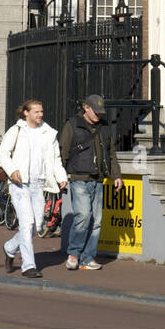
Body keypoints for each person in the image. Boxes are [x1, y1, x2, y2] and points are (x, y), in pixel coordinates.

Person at [0, 99, 67, 278]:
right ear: (26, 113)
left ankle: (10, 247)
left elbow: (55, 158)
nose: (40, 115)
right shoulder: (17, 130)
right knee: (27, 224)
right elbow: (3, 154)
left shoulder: (48, 132)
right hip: (19, 184)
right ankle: (28, 266)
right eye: (36, 111)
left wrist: (60, 176)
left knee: (36, 226)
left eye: (41, 111)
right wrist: (12, 170)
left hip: (38, 184)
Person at [59, 94, 123, 271]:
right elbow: (63, 152)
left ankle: (88, 257)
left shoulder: (104, 127)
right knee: (83, 216)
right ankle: (74, 254)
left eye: (101, 112)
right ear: (86, 108)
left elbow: (111, 153)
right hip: (79, 178)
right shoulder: (72, 124)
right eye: (96, 112)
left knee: (97, 221)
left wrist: (116, 175)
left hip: (99, 179)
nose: (99, 116)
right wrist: (60, 176)